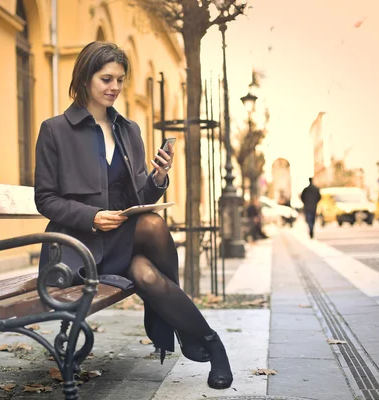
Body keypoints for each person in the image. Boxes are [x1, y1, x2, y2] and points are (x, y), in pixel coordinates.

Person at [34, 42, 232, 390]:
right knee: (153, 227)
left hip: (120, 241)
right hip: (78, 248)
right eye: (106, 78)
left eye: (120, 80)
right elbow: (45, 199)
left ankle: (211, 343)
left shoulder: (129, 130)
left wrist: (158, 178)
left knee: (148, 272)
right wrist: (92, 216)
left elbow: (138, 196)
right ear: (84, 77)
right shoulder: (55, 130)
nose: (114, 87)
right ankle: (183, 329)